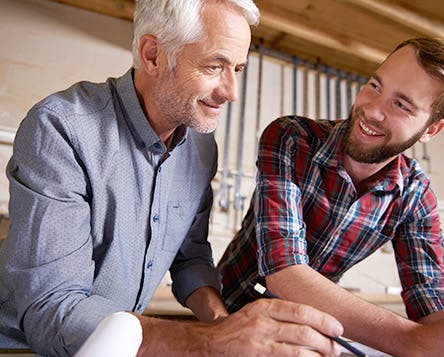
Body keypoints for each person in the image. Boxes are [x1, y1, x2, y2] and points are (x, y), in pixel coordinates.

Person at [0, 0, 344, 356]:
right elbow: (52, 306)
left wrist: (221, 324)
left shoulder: (200, 146)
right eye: (214, 66)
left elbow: (189, 256)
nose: (232, 92)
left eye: (237, 69)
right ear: (153, 56)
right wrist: (209, 343)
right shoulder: (62, 129)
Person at [218, 37, 444, 356]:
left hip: (307, 330)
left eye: (401, 104)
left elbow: (430, 299)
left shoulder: (414, 193)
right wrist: (414, 340)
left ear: (431, 130)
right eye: (374, 86)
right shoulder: (292, 138)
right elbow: (284, 273)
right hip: (225, 312)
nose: (372, 109)